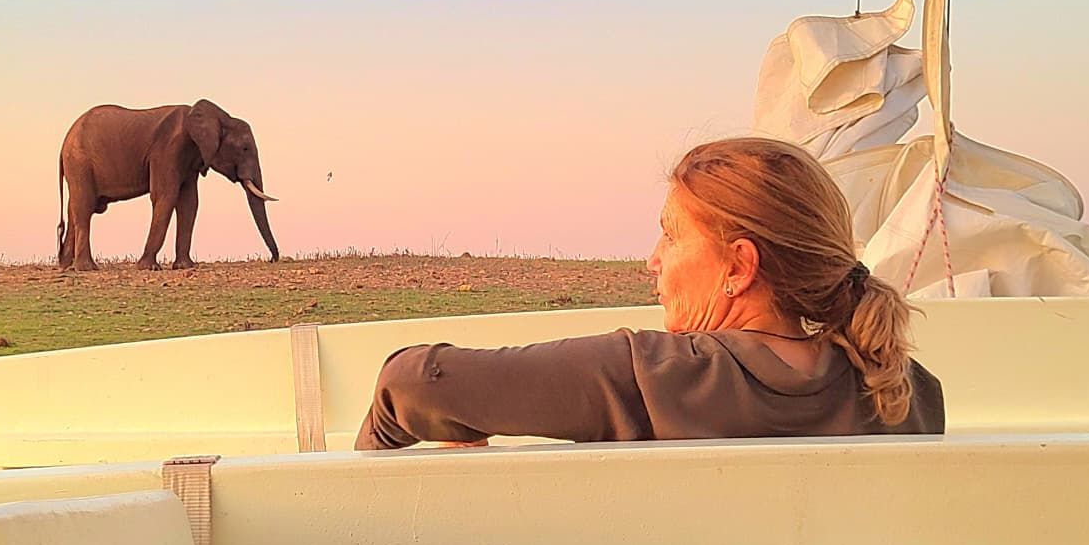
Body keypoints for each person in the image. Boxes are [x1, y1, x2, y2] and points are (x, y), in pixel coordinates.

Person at [356, 137, 943, 449]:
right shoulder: (909, 393)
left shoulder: (649, 376)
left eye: (671, 234)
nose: (653, 260)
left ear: (738, 266)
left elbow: (409, 383)